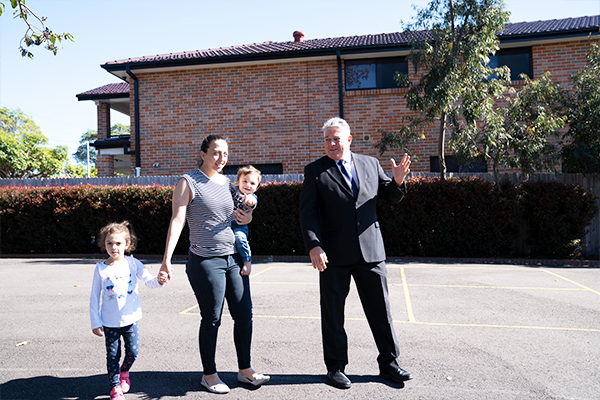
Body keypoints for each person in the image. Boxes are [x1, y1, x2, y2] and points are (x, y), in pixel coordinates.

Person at [299, 117, 413, 389]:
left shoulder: (370, 164)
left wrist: (397, 183)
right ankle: (336, 367)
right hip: (333, 255)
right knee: (333, 314)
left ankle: (390, 364)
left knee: (381, 311)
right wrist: (314, 245)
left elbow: (390, 196)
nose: (331, 144)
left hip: (370, 253)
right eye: (327, 140)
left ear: (349, 139)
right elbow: (308, 213)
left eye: (336, 138)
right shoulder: (315, 171)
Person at [159, 134, 269, 394]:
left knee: (244, 314)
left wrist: (248, 217)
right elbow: (177, 221)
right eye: (216, 153)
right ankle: (209, 375)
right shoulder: (188, 182)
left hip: (233, 258)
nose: (221, 158)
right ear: (203, 154)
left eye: (226, 154)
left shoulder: (229, 184)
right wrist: (166, 260)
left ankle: (245, 370)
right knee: (212, 318)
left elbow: (238, 214)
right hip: (205, 259)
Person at [90, 221, 167, 400]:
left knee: (133, 351)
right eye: (109, 243)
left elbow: (149, 280)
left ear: (127, 244)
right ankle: (115, 387)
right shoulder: (101, 269)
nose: (114, 247)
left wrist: (160, 280)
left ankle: (124, 372)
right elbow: (94, 297)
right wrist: (95, 322)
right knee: (112, 356)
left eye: (118, 243)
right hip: (109, 322)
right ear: (104, 244)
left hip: (130, 319)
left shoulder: (132, 263)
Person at [231, 165, 261, 276]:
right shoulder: (232, 190)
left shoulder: (252, 196)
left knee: (240, 238)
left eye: (252, 183)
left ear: (257, 187)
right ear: (238, 181)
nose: (248, 185)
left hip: (239, 225)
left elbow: (253, 201)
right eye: (245, 181)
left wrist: (249, 200)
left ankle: (247, 261)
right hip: (226, 224)